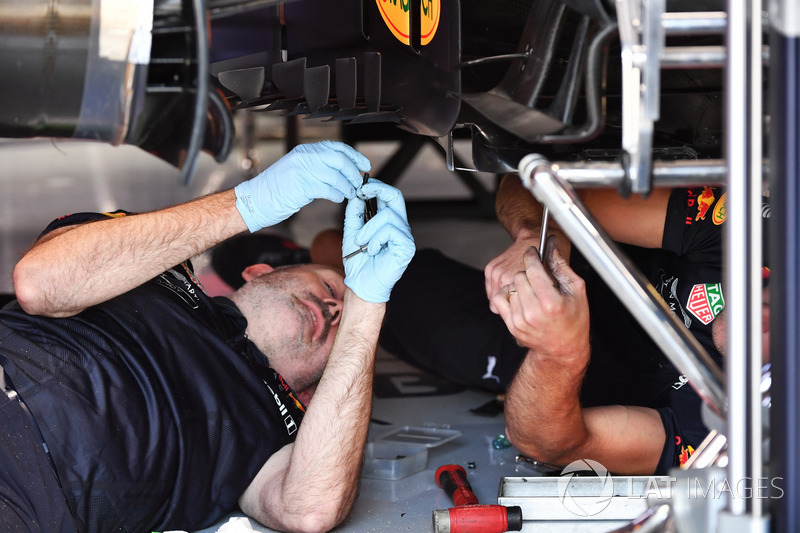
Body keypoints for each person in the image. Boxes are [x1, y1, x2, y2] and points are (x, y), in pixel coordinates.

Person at [0, 141, 416, 532]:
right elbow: (41, 283)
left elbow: (309, 510)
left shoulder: (278, 430)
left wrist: (367, 306)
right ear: (258, 271)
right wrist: (249, 203)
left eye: (341, 321)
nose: (333, 309)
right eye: (331, 288)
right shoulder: (158, 263)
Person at [380, 173, 769, 475]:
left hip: (546, 374)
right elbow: (532, 181)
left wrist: (558, 354)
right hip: (564, 270)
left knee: (373, 302)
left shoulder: (742, 435)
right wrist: (540, 241)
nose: (772, 320)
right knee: (366, 265)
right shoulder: (759, 231)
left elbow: (555, 445)